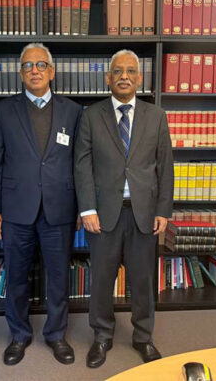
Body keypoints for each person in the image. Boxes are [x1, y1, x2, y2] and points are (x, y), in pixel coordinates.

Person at [74, 49, 174, 368]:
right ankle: (102, 336)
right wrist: (87, 209)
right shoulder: (91, 116)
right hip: (103, 214)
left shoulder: (156, 116)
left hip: (144, 213)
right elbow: (82, 166)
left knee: (142, 280)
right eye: (118, 71)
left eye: (131, 71)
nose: (124, 76)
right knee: (102, 279)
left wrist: (163, 210)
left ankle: (143, 337)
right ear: (108, 78)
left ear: (139, 78)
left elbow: (165, 167)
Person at [0, 43, 82, 366]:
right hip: (15, 209)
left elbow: (80, 164)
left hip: (60, 208)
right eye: (28, 65)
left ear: (51, 71)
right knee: (15, 276)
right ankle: (19, 335)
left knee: (58, 277)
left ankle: (56, 335)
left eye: (41, 65)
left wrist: (82, 207)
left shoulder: (73, 111)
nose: (35, 70)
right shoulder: (2, 111)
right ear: (21, 73)